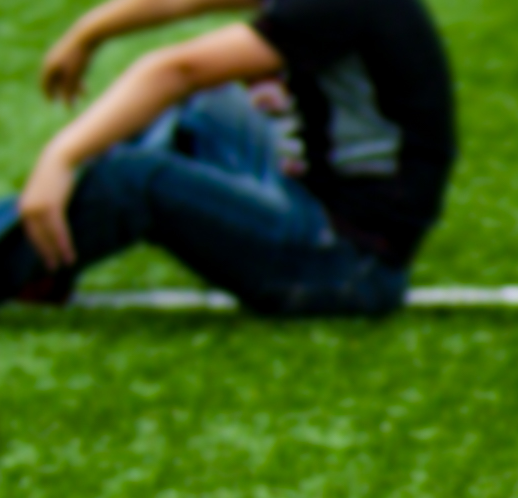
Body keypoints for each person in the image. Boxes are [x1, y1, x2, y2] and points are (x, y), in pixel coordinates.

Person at [8, 0, 452, 312]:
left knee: (135, 180)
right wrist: (91, 30)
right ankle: (41, 257)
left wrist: (59, 156)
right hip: (317, 208)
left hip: (345, 266)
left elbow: (177, 70)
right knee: (203, 110)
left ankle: (28, 253)